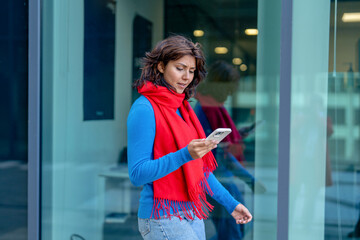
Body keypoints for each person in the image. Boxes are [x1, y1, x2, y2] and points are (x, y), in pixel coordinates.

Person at [127, 35, 252, 240]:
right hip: (161, 215)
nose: (186, 77)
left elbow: (200, 171)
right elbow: (138, 174)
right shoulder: (144, 108)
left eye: (191, 71)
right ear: (160, 66)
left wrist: (232, 204)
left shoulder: (184, 108)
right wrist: (186, 154)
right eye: (180, 68)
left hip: (192, 211)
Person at [194, 61, 264, 239]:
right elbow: (217, 156)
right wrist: (249, 179)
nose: (228, 95)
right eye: (226, 89)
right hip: (215, 180)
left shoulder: (213, 108)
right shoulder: (205, 110)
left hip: (221, 178)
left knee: (236, 227)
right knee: (232, 231)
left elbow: (222, 151)